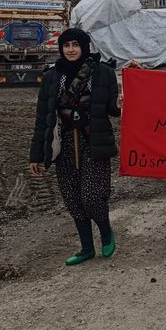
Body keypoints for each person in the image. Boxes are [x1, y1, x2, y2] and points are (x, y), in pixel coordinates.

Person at [29, 28, 121, 265]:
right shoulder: (52, 77)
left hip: (94, 142)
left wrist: (122, 103)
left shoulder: (103, 73)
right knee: (73, 200)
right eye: (66, 45)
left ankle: (106, 230)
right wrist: (37, 156)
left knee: (91, 197)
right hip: (64, 145)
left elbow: (114, 110)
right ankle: (87, 248)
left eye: (75, 45)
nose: (71, 50)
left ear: (84, 47)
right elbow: (43, 119)